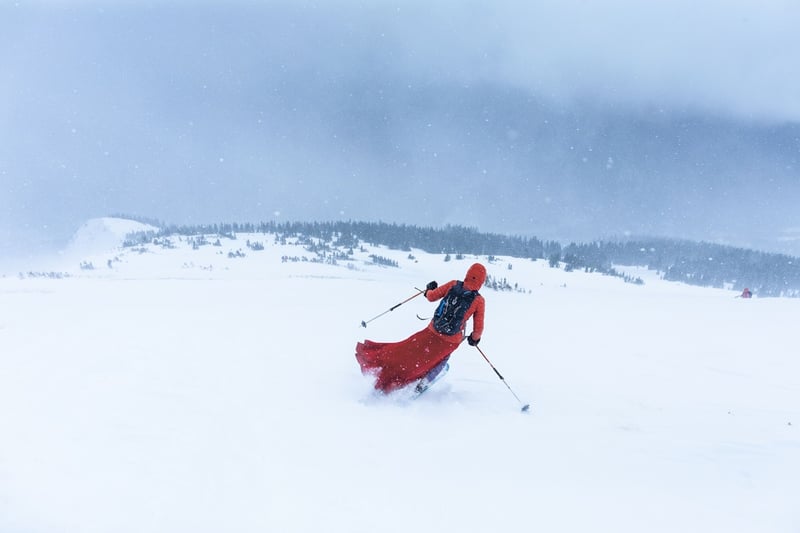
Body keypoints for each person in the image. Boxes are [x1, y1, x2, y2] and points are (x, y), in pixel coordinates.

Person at [355, 263, 487, 394]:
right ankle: (424, 382)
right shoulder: (479, 300)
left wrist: (429, 289)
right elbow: (478, 328)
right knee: (442, 359)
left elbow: (431, 297)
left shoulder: (453, 284)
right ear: (481, 281)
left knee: (408, 350)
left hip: (432, 330)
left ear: (467, 274)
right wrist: (474, 339)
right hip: (450, 340)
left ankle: (389, 367)